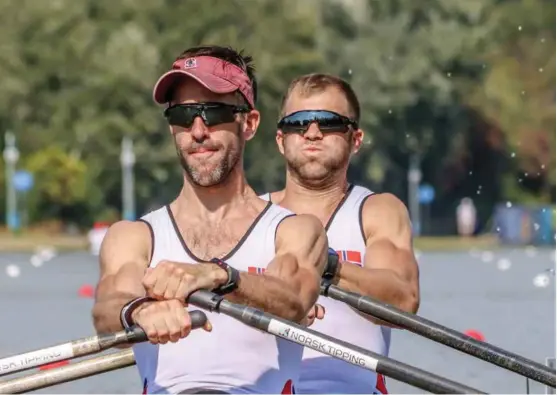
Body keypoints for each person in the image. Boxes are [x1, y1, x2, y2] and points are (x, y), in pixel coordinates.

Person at [92, 46, 328, 395]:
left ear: (249, 123)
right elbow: (107, 310)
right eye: (183, 115)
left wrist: (219, 275)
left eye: (214, 113)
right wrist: (139, 311)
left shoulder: (295, 230)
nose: (198, 131)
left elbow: (293, 300)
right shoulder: (133, 237)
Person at [260, 73, 420, 394]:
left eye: (329, 123)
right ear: (281, 140)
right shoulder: (248, 216)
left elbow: (403, 302)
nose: (313, 133)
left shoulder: (377, 211)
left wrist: (329, 267)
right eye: (298, 123)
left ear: (355, 139)